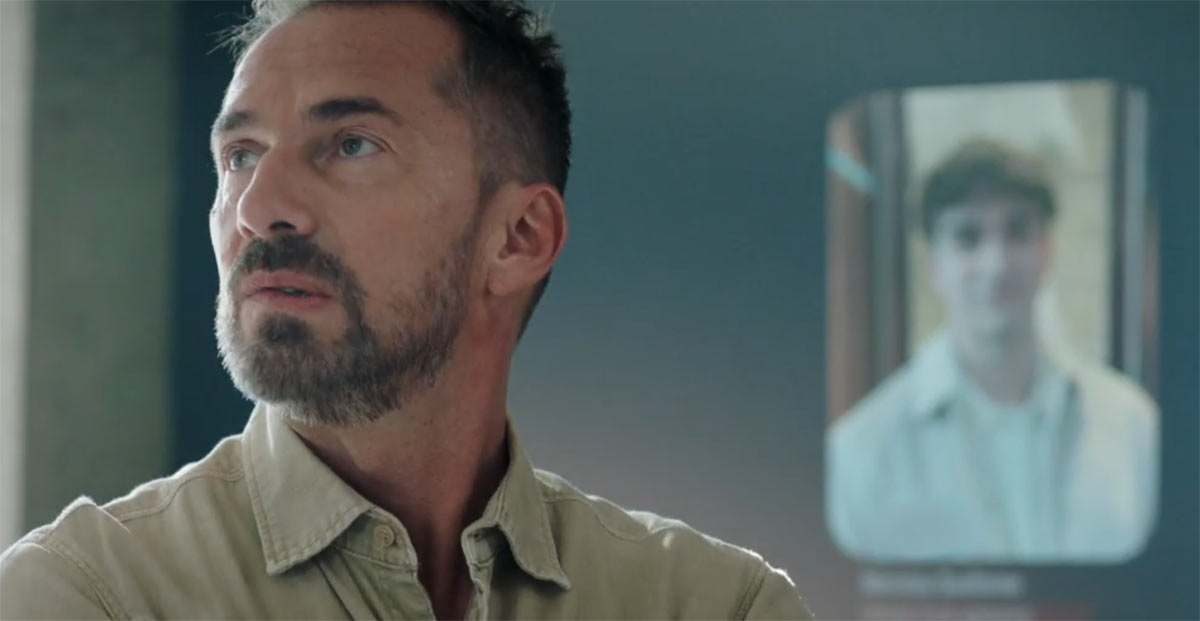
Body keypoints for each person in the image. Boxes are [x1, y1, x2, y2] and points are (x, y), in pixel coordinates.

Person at [0, 1, 810, 618]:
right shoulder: (90, 595)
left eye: (352, 144)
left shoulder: (712, 604)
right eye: (240, 155)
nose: (258, 207)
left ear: (518, 237)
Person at [827, 139, 1158, 563]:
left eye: (1017, 231)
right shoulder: (860, 454)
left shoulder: (1134, 426)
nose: (997, 264)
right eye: (968, 237)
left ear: (1047, 249)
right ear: (933, 264)